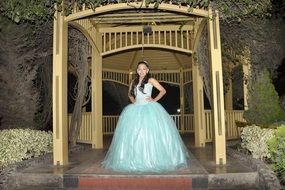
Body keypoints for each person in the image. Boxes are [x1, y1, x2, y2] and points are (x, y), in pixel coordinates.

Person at [102, 61, 189, 173]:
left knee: (150, 134)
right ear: (137, 70)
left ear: (147, 70)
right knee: (133, 136)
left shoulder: (150, 80)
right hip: (135, 110)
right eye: (139, 69)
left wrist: (154, 100)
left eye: (144, 69)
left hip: (149, 109)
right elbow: (129, 94)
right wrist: (133, 101)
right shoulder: (134, 81)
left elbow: (163, 90)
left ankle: (153, 159)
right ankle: (132, 160)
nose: (141, 71)